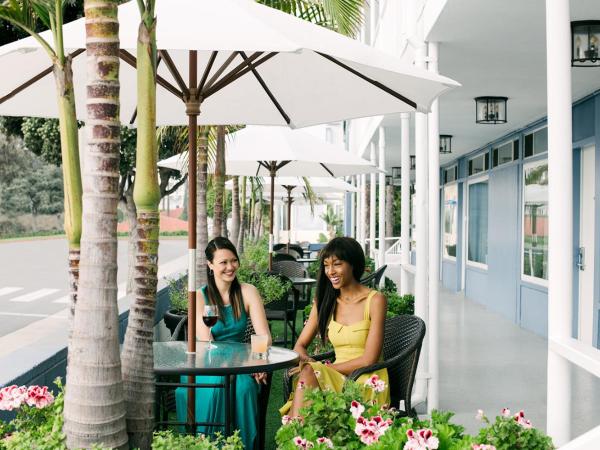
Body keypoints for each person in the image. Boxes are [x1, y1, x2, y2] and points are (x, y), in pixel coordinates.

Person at [175, 237, 271, 450]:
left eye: (233, 260)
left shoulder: (248, 291)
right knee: (206, 387)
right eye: (223, 262)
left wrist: (258, 361)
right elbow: (204, 339)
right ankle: (205, 445)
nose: (230, 267)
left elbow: (263, 335)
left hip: (242, 362)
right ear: (210, 265)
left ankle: (241, 446)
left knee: (243, 389)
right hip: (207, 362)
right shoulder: (199, 296)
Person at [280, 237, 389, 417]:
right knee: (309, 375)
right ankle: (301, 439)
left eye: (337, 264)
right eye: (326, 265)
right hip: (336, 377)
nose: (330, 271)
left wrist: (322, 368)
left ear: (353, 264)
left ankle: (295, 437)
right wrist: (310, 362)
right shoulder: (325, 302)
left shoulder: (375, 300)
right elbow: (299, 346)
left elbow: (369, 359)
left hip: (367, 379)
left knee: (308, 375)